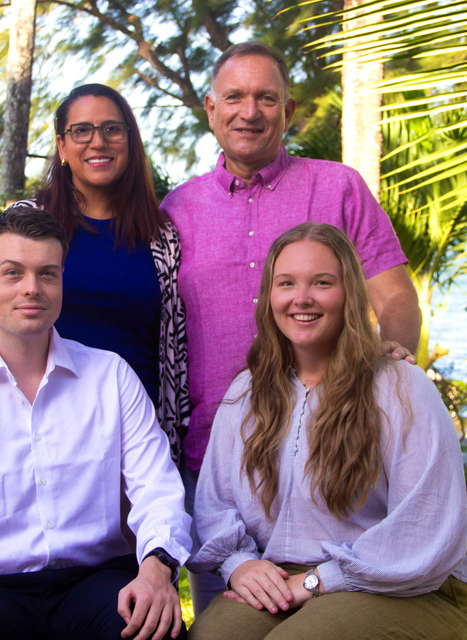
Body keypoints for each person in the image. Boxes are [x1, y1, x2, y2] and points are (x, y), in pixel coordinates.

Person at [160, 42, 422, 611]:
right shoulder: (174, 212)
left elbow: (395, 296)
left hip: (337, 462)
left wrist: (391, 365)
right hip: (218, 471)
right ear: (210, 108)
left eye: (266, 98)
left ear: (289, 110)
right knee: (223, 625)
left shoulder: (339, 188)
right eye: (233, 97)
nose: (248, 111)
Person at [0, 207, 191, 640]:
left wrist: (158, 568)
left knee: (155, 630)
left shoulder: (111, 377)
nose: (32, 288)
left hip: (96, 582)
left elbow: (158, 490)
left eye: (47, 274)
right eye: (13, 273)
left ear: (62, 280)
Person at [186, 222, 467, 640]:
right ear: (268, 298)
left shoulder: (399, 386)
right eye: (286, 283)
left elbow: (424, 527)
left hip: (410, 583)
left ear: (350, 293)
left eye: (322, 283)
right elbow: (216, 502)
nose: (302, 298)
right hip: (289, 575)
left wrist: (318, 582)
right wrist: (239, 564)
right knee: (215, 635)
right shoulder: (246, 392)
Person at [0, 83, 189, 464]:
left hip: (134, 435)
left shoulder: (161, 235)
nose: (97, 142)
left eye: (111, 129)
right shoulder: (25, 220)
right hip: (32, 428)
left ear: (130, 142)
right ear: (61, 147)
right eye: (81, 130)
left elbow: (174, 345)